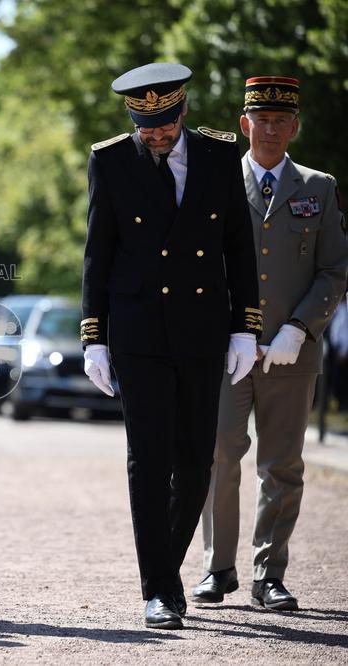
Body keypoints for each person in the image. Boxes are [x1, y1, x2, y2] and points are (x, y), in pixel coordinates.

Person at [80, 63, 260, 630]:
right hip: (137, 332)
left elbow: (238, 245)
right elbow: (97, 253)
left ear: (182, 113)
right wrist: (94, 337)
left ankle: (166, 567)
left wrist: (245, 326)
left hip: (203, 327)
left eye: (163, 126)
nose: (154, 137)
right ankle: (159, 588)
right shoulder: (110, 160)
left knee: (196, 460)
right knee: (149, 461)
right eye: (144, 127)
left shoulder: (219, 155)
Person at [194, 77, 348, 610]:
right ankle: (218, 567)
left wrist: (300, 328)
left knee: (281, 464)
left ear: (295, 127)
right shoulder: (214, 182)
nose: (272, 130)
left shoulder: (318, 187)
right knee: (219, 456)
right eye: (263, 120)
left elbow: (333, 270)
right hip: (227, 352)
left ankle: (269, 573)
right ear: (245, 125)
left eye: (283, 121)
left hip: (291, 351)